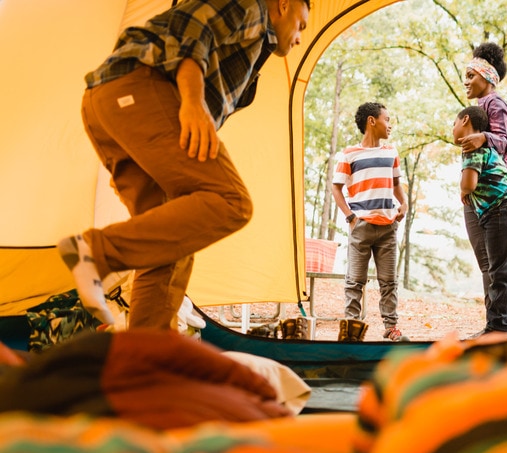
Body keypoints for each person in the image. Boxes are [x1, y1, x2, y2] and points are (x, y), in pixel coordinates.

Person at [57, 0, 310, 329]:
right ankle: (96, 251)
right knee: (231, 201)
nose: (299, 37)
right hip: (139, 85)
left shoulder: (254, 43)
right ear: (283, 5)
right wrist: (192, 101)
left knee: (168, 243)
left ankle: (143, 357)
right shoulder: (253, 8)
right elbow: (195, 27)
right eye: (301, 25)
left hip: (108, 104)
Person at [459, 42, 507, 335]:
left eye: (471, 75)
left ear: (488, 77)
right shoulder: (477, 109)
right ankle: (493, 325)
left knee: (499, 268)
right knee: (488, 266)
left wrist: (482, 136)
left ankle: (501, 328)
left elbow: (505, 141)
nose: (466, 81)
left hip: (498, 193)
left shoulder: (495, 104)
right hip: (478, 197)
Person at [331, 102, 408, 342]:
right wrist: (350, 217)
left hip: (388, 226)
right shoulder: (349, 154)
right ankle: (352, 329)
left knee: (389, 282)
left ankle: (391, 327)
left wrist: (403, 203)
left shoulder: (391, 152)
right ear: (371, 121)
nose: (390, 124)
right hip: (361, 226)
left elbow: (395, 184)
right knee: (355, 281)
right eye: (387, 119)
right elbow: (336, 187)